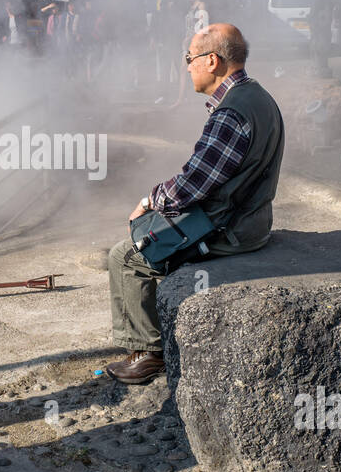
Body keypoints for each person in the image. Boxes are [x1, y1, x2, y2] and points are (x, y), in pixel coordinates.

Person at [105, 23, 285, 385]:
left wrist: (149, 200)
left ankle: (148, 353)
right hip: (252, 220)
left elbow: (191, 186)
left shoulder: (231, 113)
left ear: (212, 60)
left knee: (126, 257)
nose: (186, 66)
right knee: (147, 237)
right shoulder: (258, 96)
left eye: (189, 58)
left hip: (228, 229)